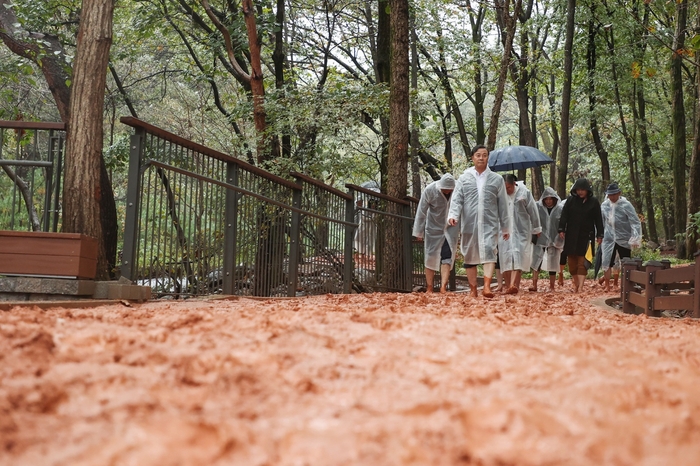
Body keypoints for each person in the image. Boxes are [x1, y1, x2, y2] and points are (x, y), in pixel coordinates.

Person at [447, 145, 510, 298]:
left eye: (484, 155)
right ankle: (473, 289)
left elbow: (503, 204)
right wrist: (453, 215)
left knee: (489, 250)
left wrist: (505, 227)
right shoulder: (464, 178)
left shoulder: (497, 179)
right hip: (469, 223)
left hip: (490, 223)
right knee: (470, 255)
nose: (481, 158)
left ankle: (487, 287)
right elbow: (457, 200)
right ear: (472, 157)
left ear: (488, 158)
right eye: (478, 155)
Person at [558, 178, 604, 293]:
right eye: (578, 190)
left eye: (583, 190)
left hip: (586, 235)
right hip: (571, 235)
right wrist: (561, 229)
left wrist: (600, 234)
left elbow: (598, 219)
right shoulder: (570, 201)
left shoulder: (593, 202)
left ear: (587, 190)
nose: (580, 192)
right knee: (572, 263)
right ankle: (576, 283)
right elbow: (564, 215)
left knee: (582, 262)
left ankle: (581, 287)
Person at [412, 173, 456, 293]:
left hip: (451, 228)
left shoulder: (457, 191)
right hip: (433, 228)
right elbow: (422, 212)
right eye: (444, 189)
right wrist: (418, 232)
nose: (447, 191)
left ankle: (443, 287)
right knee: (430, 257)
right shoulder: (430, 190)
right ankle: (430, 287)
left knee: (447, 256)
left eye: (449, 190)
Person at [498, 175, 541, 294]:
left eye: (509, 187)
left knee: (518, 256)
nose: (507, 190)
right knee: (506, 257)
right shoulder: (500, 193)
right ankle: (509, 286)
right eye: (505, 187)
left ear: (514, 184)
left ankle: (513, 284)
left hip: (521, 229)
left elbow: (533, 210)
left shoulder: (524, 192)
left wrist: (537, 228)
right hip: (504, 230)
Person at [599, 182, 642, 291]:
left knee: (625, 262)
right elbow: (601, 222)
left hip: (624, 238)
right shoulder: (604, 206)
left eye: (614, 194)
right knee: (607, 261)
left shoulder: (626, 205)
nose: (612, 197)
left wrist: (635, 238)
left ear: (619, 193)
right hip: (608, 238)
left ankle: (625, 284)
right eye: (610, 195)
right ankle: (607, 285)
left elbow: (635, 222)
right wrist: (599, 235)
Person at [529, 187, 564, 292]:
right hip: (540, 238)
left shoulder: (559, 209)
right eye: (546, 199)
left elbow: (562, 223)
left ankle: (552, 286)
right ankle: (534, 284)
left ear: (554, 199)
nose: (548, 201)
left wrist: (560, 234)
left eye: (551, 199)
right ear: (543, 199)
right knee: (536, 261)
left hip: (554, 239)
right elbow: (533, 220)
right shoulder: (538, 207)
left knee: (553, 262)